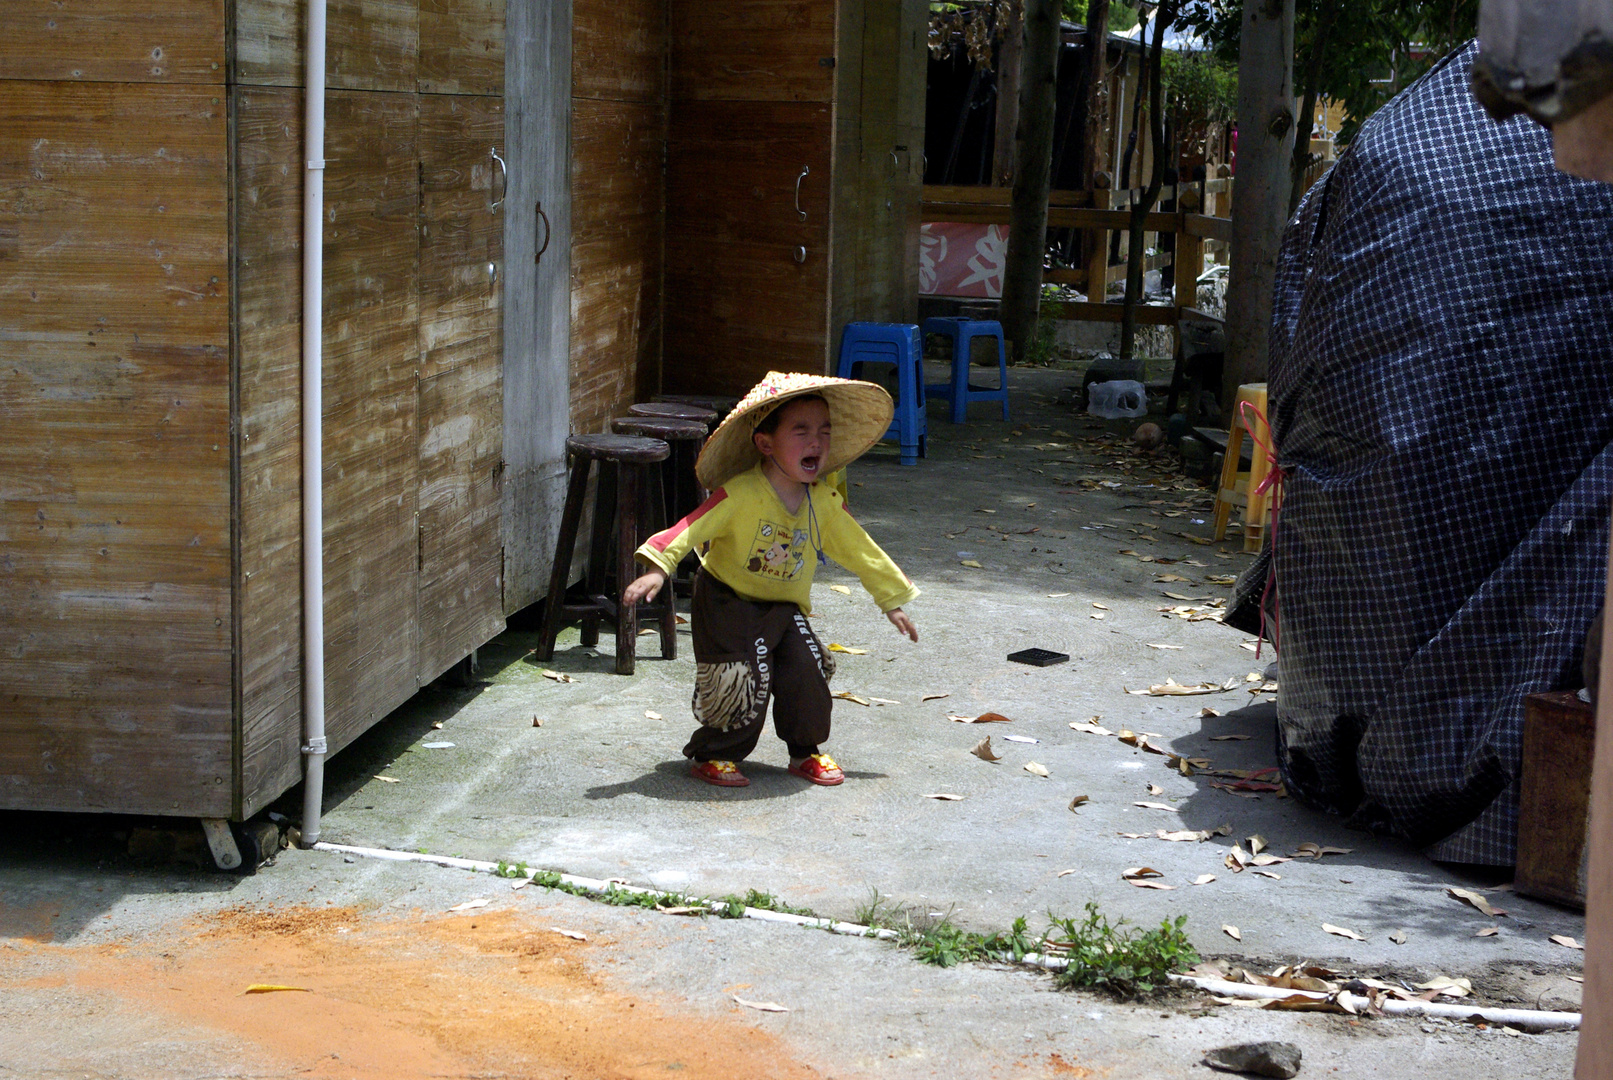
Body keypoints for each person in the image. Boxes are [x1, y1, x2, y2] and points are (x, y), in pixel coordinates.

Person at [622, 371, 920, 789]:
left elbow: (861, 549)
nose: (816, 441)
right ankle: (715, 753)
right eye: (801, 430)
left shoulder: (823, 502)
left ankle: (805, 752)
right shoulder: (740, 492)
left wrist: (892, 600)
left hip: (783, 605)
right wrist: (657, 566)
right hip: (727, 600)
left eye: (824, 430)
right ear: (766, 443)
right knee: (740, 676)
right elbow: (689, 527)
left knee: (807, 669)